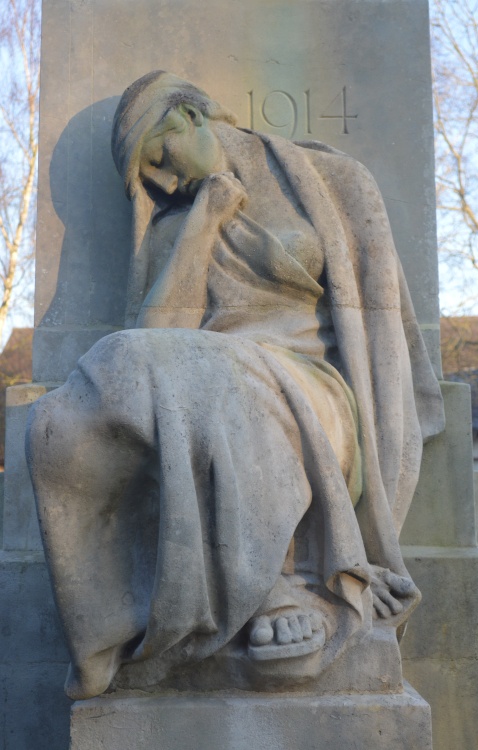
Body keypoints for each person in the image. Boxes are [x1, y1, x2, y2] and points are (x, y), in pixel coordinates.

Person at [26, 71, 444, 700]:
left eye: (159, 155)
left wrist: (378, 485)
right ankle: (106, 632)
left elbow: (381, 330)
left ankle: (278, 584)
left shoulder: (332, 182)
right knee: (57, 421)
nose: (163, 181)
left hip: (313, 388)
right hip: (211, 376)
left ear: (190, 115)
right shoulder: (174, 225)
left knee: (224, 381)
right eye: (148, 179)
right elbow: (150, 344)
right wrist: (206, 216)